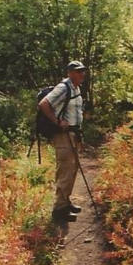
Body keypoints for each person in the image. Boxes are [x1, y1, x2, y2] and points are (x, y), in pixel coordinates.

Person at [38, 61, 86, 222]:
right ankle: (59, 210)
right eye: (78, 71)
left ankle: (65, 202)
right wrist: (58, 122)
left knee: (72, 169)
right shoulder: (63, 87)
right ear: (70, 73)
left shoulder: (76, 88)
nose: (82, 74)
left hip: (73, 134)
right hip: (63, 135)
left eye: (82, 71)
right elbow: (44, 104)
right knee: (65, 170)